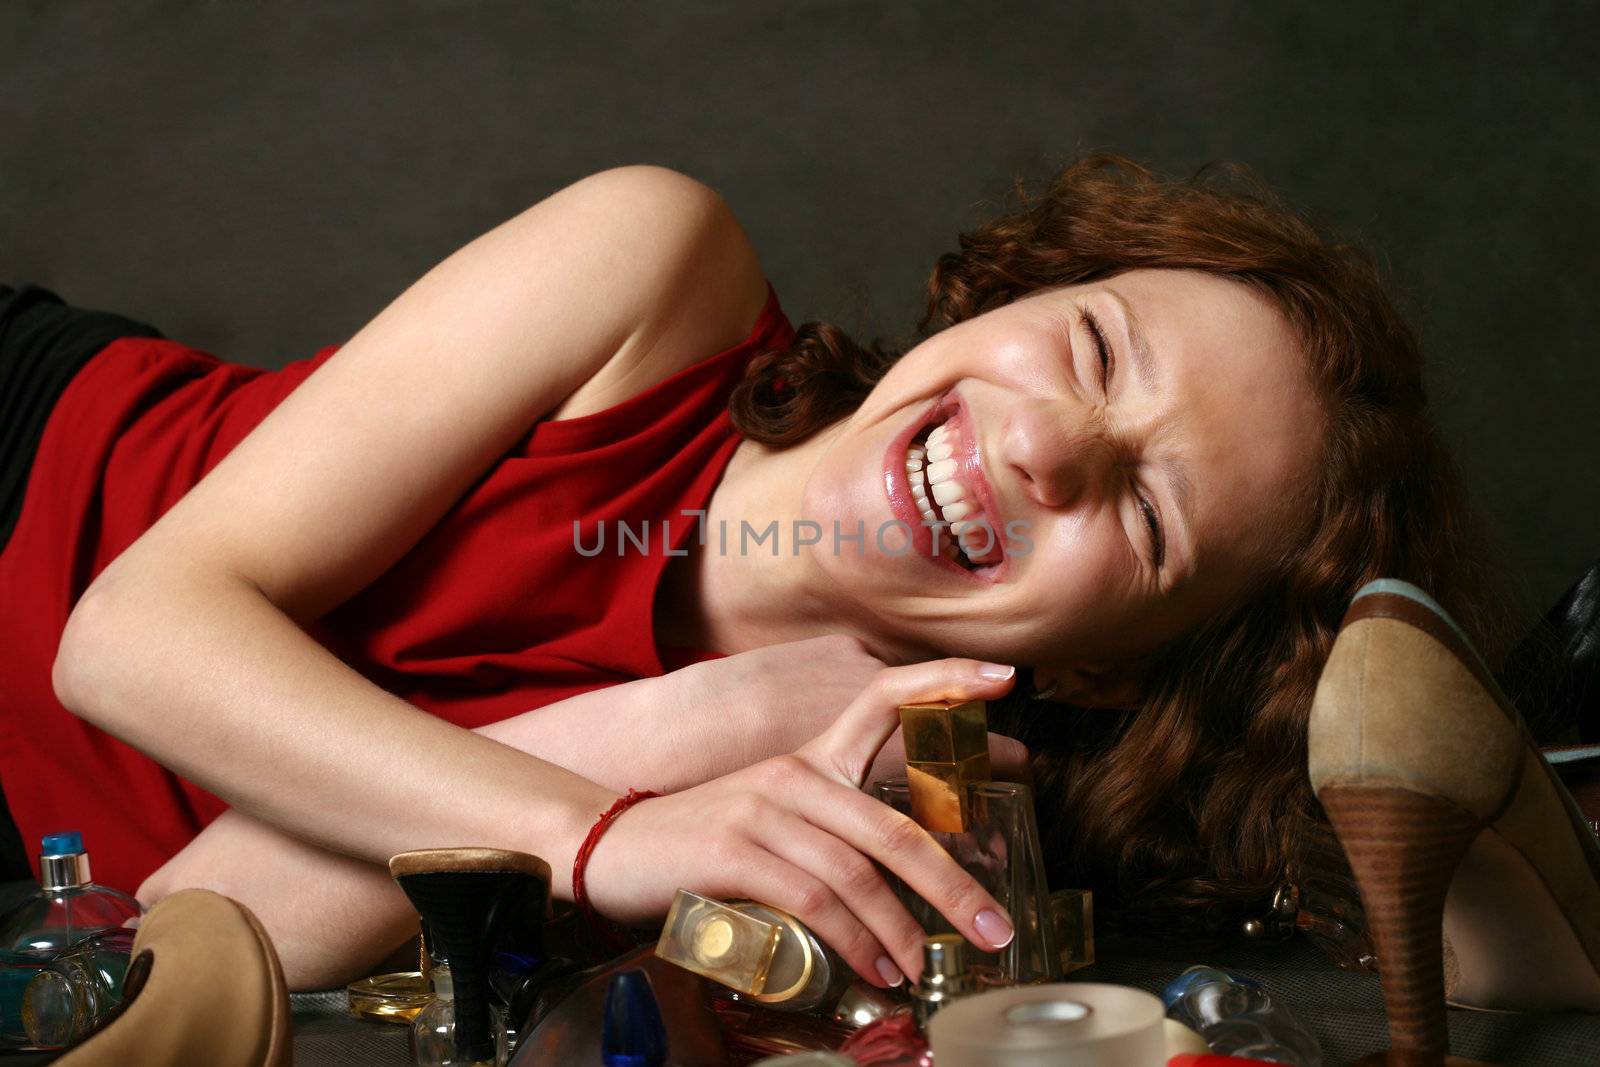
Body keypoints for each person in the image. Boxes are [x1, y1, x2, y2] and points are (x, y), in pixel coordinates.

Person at [0, 156, 1495, 990]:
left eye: (1150, 520)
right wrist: (603, 830)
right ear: (1026, 289)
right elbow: (125, 640)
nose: (1053, 448)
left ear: (1105, 665)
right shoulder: (657, 273)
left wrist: (670, 737)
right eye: (1094, 345)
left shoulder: (858, 802)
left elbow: (162, 950)